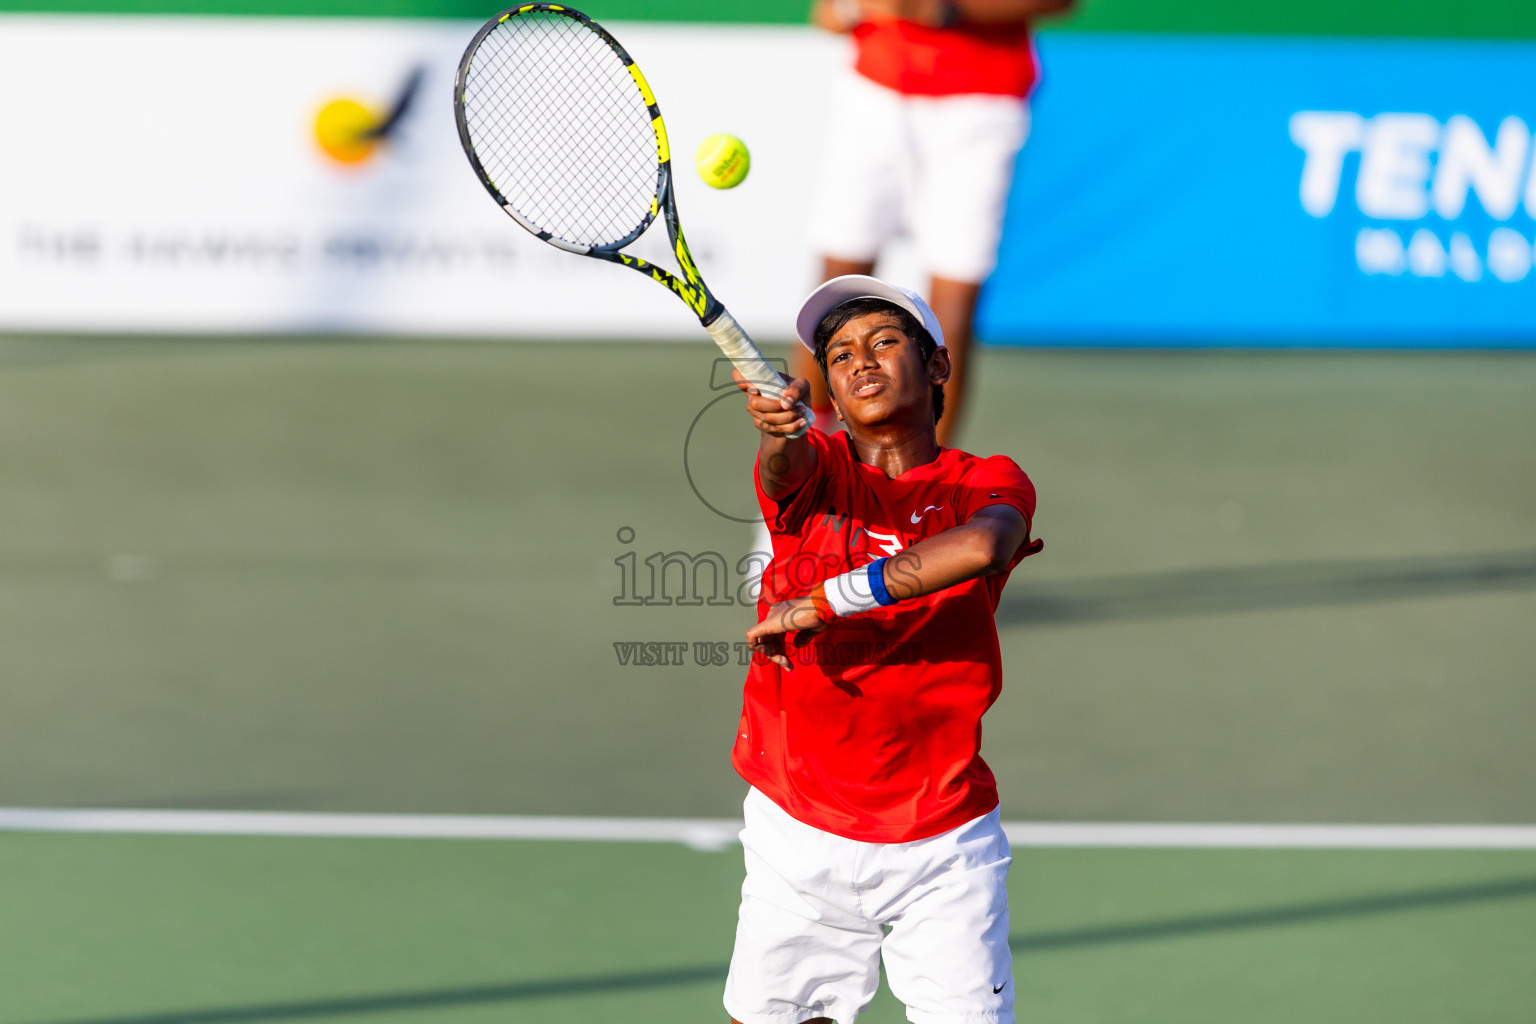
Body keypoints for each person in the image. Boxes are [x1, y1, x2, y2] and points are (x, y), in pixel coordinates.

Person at [726, 275, 1043, 1024]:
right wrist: (778, 431)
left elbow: (983, 547)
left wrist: (828, 601)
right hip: (795, 831)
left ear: (937, 367)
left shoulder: (984, 484)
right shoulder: (818, 473)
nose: (859, 361)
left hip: (942, 842)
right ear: (828, 390)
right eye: (838, 355)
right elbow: (783, 468)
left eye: (884, 342)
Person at [799, 0, 1075, 445]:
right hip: (873, 94)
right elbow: (830, 13)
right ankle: (802, 481)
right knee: (834, 293)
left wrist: (944, 8)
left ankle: (926, 493)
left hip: (981, 108)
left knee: (951, 310)